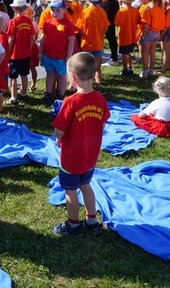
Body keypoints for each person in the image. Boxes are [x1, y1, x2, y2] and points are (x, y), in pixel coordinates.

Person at [51, 52, 108, 236]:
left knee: (70, 191)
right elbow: (103, 121)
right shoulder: (100, 99)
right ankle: (92, 220)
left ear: (73, 78)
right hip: (90, 156)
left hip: (71, 158)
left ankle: (73, 225)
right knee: (86, 186)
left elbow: (59, 131)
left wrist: (58, 137)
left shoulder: (71, 102)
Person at [40, 0, 76, 104]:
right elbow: (43, 38)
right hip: (48, 55)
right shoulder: (47, 23)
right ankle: (48, 93)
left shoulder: (68, 24)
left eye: (58, 10)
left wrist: (68, 56)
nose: (54, 13)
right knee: (50, 74)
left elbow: (71, 41)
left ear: (64, 10)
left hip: (61, 57)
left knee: (61, 76)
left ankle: (61, 95)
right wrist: (40, 52)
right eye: (52, 10)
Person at [6, 0, 37, 103]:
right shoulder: (28, 21)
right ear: (25, 9)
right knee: (24, 75)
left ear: (14, 8)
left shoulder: (13, 22)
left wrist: (8, 51)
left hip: (14, 55)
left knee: (13, 77)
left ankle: (13, 97)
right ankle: (24, 93)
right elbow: (32, 37)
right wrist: (30, 47)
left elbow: (11, 38)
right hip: (26, 54)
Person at [77, 0, 110, 87]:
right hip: (98, 43)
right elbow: (106, 28)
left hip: (86, 43)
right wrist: (100, 34)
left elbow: (79, 28)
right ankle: (98, 84)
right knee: (97, 66)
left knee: (86, 66)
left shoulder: (85, 12)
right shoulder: (102, 12)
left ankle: (86, 85)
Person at [114, 0, 142, 77]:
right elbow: (139, 21)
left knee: (124, 54)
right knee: (129, 53)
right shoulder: (135, 11)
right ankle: (130, 68)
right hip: (132, 35)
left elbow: (116, 23)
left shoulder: (121, 12)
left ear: (122, 0)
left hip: (123, 36)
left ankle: (125, 69)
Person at [138, 0, 165, 78]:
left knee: (145, 53)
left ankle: (145, 72)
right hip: (157, 33)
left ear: (149, 0)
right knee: (152, 52)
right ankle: (151, 70)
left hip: (149, 33)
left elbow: (146, 24)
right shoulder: (160, 9)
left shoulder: (147, 9)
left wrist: (143, 34)